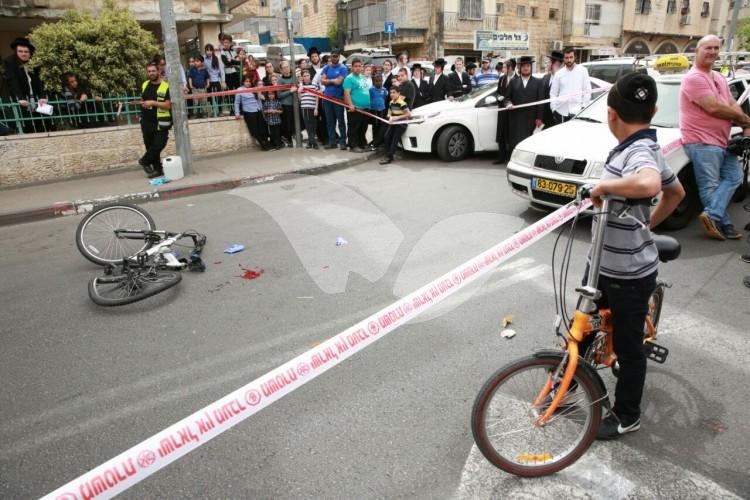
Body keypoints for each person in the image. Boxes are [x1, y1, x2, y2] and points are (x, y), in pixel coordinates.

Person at [581, 72, 685, 440]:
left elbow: (650, 184)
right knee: (581, 326)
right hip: (602, 263)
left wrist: (605, 185)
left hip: (627, 273)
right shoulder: (646, 146)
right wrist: (649, 227)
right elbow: (676, 193)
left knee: (629, 349)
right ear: (654, 110)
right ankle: (565, 383)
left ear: (611, 114)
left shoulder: (640, 151)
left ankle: (627, 415)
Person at [679, 34, 750, 241]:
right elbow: (714, 107)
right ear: (697, 51)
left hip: (720, 141)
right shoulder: (694, 77)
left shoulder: (718, 77)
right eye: (707, 48)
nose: (712, 52)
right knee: (709, 186)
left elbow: (730, 102)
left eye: (716, 48)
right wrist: (744, 118)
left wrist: (745, 122)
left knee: (735, 177)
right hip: (701, 141)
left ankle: (713, 215)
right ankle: (724, 224)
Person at [2, 37, 49, 133]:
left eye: (26, 52)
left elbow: (40, 81)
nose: (23, 54)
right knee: (26, 126)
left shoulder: (35, 63)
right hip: (21, 100)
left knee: (43, 125)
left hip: (35, 99)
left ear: (30, 53)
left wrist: (42, 96)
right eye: (20, 51)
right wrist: (20, 98)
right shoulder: (10, 62)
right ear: (16, 51)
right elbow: (13, 82)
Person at [138, 62, 172, 178]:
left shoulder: (166, 86)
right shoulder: (145, 84)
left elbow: (168, 105)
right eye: (149, 71)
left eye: (153, 71)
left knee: (159, 144)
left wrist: (153, 103)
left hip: (160, 121)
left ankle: (144, 161)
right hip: (146, 121)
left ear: (158, 72)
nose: (151, 73)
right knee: (150, 146)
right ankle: (158, 170)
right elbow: (143, 99)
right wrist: (143, 104)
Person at [504, 56, 544, 153]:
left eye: (528, 66)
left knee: (530, 143)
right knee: (516, 142)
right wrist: (508, 103)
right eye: (523, 66)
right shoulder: (513, 82)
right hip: (516, 118)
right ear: (520, 68)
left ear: (531, 67)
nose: (526, 68)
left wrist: (539, 118)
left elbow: (541, 101)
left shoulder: (538, 82)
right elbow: (507, 98)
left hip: (531, 119)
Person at [550, 47, 591, 124]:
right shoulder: (559, 73)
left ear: (575, 57)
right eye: (566, 58)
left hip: (577, 111)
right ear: (564, 58)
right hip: (561, 111)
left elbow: (587, 91)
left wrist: (583, 107)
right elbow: (553, 93)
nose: (569, 60)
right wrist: (554, 109)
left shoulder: (583, 71)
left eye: (571, 57)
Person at [320, 49, 348, 150]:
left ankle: (343, 142)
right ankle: (332, 142)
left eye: (336, 56)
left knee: (341, 121)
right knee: (330, 121)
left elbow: (339, 82)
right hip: (327, 98)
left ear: (339, 57)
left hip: (338, 98)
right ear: (330, 57)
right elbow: (322, 81)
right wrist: (333, 80)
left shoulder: (343, 68)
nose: (334, 58)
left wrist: (328, 80)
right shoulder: (326, 68)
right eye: (332, 56)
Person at [343, 58, 370, 152]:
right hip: (354, 108)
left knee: (363, 127)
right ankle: (353, 145)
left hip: (365, 108)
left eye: (359, 66)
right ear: (352, 68)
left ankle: (362, 144)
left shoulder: (363, 77)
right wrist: (350, 105)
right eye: (356, 66)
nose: (358, 68)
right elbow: (346, 93)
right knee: (354, 127)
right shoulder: (349, 79)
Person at [379, 86, 412, 165]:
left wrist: (397, 117)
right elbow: (389, 112)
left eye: (394, 93)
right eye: (391, 93)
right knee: (386, 137)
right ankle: (388, 154)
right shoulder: (391, 102)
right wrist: (389, 116)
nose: (392, 94)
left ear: (398, 93)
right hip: (394, 123)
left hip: (402, 124)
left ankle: (389, 157)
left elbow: (408, 114)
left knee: (394, 139)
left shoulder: (402, 103)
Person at [235, 76, 268, 149]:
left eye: (249, 81)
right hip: (248, 111)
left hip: (257, 110)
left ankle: (266, 142)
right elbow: (237, 102)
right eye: (246, 81)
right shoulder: (239, 89)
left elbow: (258, 100)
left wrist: (261, 109)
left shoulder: (254, 89)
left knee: (262, 128)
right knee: (254, 129)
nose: (248, 83)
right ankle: (262, 144)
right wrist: (237, 113)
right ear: (243, 82)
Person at [494, 58, 516, 164]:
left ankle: (511, 158)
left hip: (512, 111)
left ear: (510, 68)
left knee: (512, 135)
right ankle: (501, 157)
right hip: (502, 110)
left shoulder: (517, 79)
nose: (502, 69)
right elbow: (498, 91)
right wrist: (499, 97)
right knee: (501, 135)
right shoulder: (502, 78)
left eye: (504, 67)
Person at [276, 61, 297, 147]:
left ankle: (292, 137)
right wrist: (290, 91)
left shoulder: (294, 78)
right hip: (286, 105)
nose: (286, 69)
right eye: (284, 68)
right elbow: (279, 94)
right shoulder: (280, 80)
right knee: (288, 125)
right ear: (281, 70)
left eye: (287, 67)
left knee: (296, 123)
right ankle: (289, 140)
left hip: (295, 104)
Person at [541, 50, 564, 129]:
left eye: (549, 62)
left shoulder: (563, 80)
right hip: (545, 120)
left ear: (556, 63)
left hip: (556, 120)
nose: (547, 64)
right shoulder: (545, 77)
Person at [298, 69, 320, 149]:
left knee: (314, 125)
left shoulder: (314, 85)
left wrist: (316, 108)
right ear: (302, 77)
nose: (306, 77)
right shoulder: (301, 86)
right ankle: (313, 143)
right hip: (304, 107)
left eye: (307, 75)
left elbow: (317, 97)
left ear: (310, 76)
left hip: (313, 107)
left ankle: (311, 142)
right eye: (304, 76)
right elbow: (300, 99)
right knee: (308, 125)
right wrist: (299, 92)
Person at [220, 35, 241, 113]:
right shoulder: (222, 52)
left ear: (230, 43)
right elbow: (226, 63)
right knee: (230, 93)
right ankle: (232, 109)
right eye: (224, 42)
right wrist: (233, 62)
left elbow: (238, 62)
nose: (226, 44)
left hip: (235, 73)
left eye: (228, 42)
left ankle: (238, 108)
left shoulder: (233, 51)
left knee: (237, 91)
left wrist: (232, 61)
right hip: (228, 74)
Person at [204, 44, 225, 115]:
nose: (209, 52)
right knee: (210, 98)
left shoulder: (217, 58)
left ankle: (220, 110)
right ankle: (212, 111)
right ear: (205, 51)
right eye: (207, 50)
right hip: (208, 81)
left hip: (216, 80)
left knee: (218, 97)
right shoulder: (204, 59)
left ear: (212, 51)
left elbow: (221, 70)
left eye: (210, 50)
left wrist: (223, 81)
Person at [369, 72, 388, 150]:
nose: (378, 82)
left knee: (381, 126)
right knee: (375, 126)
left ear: (382, 81)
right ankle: (374, 141)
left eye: (380, 81)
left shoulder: (384, 90)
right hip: (374, 111)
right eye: (376, 81)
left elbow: (384, 98)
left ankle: (380, 142)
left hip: (382, 110)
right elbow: (369, 98)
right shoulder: (371, 90)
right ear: (374, 81)